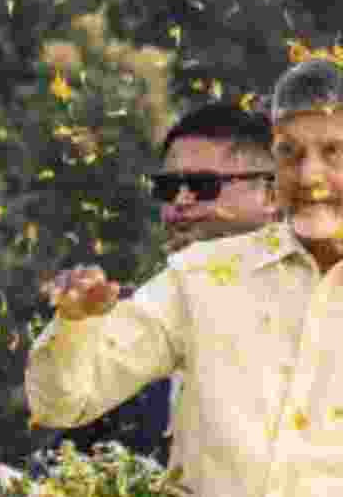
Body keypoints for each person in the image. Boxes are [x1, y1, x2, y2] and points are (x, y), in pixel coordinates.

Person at [25, 59, 343, 497]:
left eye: (334, 153)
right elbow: (66, 402)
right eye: (290, 154)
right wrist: (76, 323)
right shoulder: (199, 277)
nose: (310, 175)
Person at [53, 102, 280, 462]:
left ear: (272, 195)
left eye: (203, 185)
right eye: (168, 186)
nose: (180, 201)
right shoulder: (133, 321)